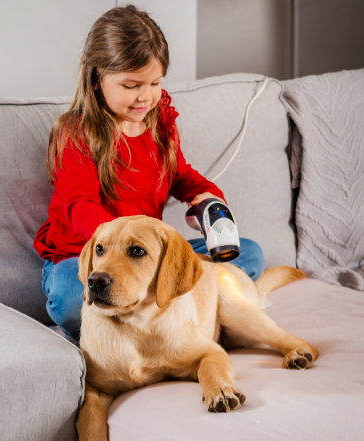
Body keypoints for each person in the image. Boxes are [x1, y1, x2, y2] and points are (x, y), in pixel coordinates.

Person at [33, 5, 265, 342]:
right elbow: (79, 205)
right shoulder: (77, 133)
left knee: (249, 254)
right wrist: (119, 241)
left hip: (142, 258)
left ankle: (155, 313)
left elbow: (180, 174)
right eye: (130, 85)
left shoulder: (160, 122)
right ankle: (161, 318)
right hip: (82, 255)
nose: (146, 95)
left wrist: (205, 195)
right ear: (97, 78)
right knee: (69, 299)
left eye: (154, 82)